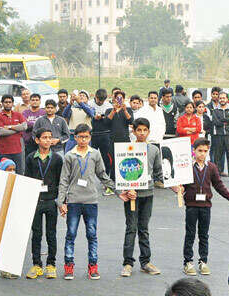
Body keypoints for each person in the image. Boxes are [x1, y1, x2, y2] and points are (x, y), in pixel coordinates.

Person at [57, 124, 114, 280]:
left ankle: (93, 266)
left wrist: (117, 190)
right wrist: (61, 202)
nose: (83, 140)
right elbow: (64, 180)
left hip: (91, 200)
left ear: (90, 137)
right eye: (80, 137)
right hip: (74, 200)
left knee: (92, 235)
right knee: (71, 234)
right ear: (75, 138)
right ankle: (69, 266)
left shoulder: (95, 154)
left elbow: (102, 175)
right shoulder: (69, 155)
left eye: (86, 137)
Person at [179, 138, 229, 276]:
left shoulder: (212, 167)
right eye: (199, 151)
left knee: (204, 234)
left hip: (205, 206)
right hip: (191, 205)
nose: (202, 154)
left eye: (205, 151)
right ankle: (188, 262)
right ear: (193, 151)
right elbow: (180, 184)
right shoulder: (187, 167)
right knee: (190, 233)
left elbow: (219, 186)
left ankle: (203, 261)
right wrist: (177, 188)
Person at [120, 118, 167, 277]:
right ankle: (127, 263)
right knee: (131, 228)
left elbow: (159, 173)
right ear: (133, 131)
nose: (141, 133)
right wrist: (127, 189)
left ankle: (145, 262)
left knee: (144, 229)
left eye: (144, 130)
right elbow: (121, 172)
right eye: (138, 130)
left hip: (148, 194)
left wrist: (175, 186)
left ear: (148, 131)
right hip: (132, 196)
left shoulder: (154, 150)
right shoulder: (127, 148)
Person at [25, 128, 63, 279]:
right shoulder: (30, 158)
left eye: (50, 138)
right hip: (36, 201)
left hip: (51, 201)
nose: (47, 140)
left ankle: (51, 264)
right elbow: (27, 179)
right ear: (37, 140)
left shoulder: (57, 159)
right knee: (36, 233)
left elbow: (61, 181)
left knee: (51, 233)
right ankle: (36, 264)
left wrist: (61, 201)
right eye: (44, 138)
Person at [0, 94, 27, 174]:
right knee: (4, 175)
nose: (8, 104)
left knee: (19, 173)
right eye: (6, 102)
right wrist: (17, 129)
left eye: (10, 102)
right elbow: (1, 132)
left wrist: (10, 127)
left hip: (17, 150)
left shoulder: (18, 115)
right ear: (2, 104)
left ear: (12, 103)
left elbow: (24, 126)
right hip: (4, 152)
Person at [89, 88, 115, 185]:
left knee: (107, 158)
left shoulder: (108, 105)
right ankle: (89, 178)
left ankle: (107, 179)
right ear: (95, 97)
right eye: (99, 100)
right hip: (93, 135)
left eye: (102, 101)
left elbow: (110, 120)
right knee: (90, 158)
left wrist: (103, 117)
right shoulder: (90, 104)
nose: (100, 102)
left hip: (105, 135)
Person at [210, 92, 229, 177]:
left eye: (223, 98)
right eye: (220, 98)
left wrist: (222, 120)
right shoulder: (215, 110)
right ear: (218, 99)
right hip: (219, 135)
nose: (222, 100)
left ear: (227, 99)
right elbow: (216, 122)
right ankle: (216, 175)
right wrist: (226, 121)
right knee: (218, 156)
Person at [22, 93, 45, 157]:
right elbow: (25, 125)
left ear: (40, 101)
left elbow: (44, 125)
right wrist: (38, 123)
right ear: (29, 101)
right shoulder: (25, 112)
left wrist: (31, 123)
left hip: (40, 142)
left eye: (37, 100)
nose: (35, 101)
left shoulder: (44, 112)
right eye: (33, 100)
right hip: (28, 142)